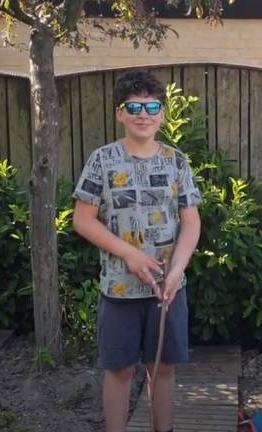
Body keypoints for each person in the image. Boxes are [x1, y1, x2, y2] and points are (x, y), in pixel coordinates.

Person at [73, 71, 202, 432]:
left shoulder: (177, 161)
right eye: (134, 106)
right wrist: (128, 254)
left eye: (151, 106)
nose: (142, 114)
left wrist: (177, 270)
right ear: (120, 113)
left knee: (162, 368)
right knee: (119, 370)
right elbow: (83, 220)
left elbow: (191, 222)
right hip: (118, 289)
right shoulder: (102, 160)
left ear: (162, 114)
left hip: (167, 289)